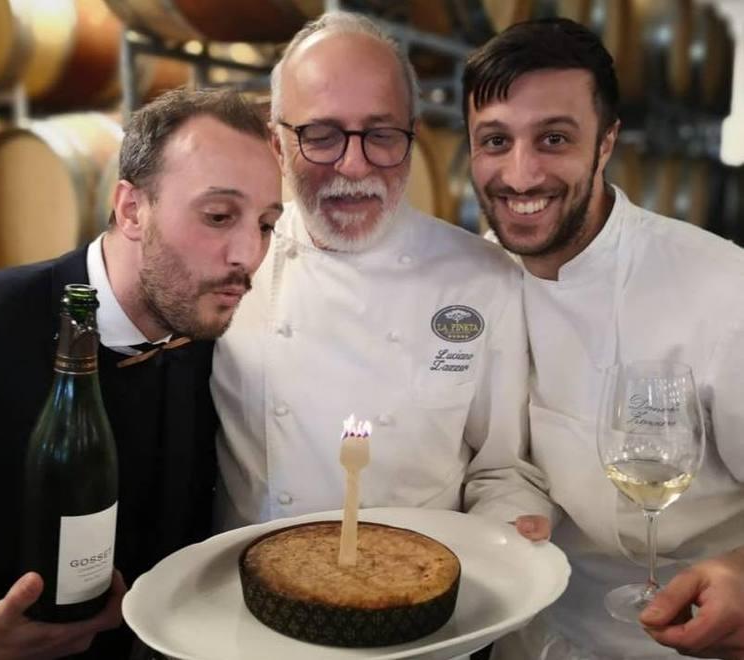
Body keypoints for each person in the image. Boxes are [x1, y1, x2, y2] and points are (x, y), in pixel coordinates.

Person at [0, 87, 282, 659]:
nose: (247, 255)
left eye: (266, 224)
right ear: (131, 209)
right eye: (218, 216)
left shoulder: (216, 344)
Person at [211, 10, 554, 541]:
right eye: (321, 135)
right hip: (252, 577)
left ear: (412, 138)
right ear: (277, 145)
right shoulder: (229, 265)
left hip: (423, 581)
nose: (353, 166)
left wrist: (505, 531)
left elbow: (502, 469)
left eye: (382, 134)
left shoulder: (484, 281)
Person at [462, 18, 744, 660]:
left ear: (606, 142)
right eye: (495, 141)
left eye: (554, 139)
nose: (521, 174)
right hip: (526, 632)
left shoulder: (724, 290)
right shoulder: (478, 279)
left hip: (685, 637)